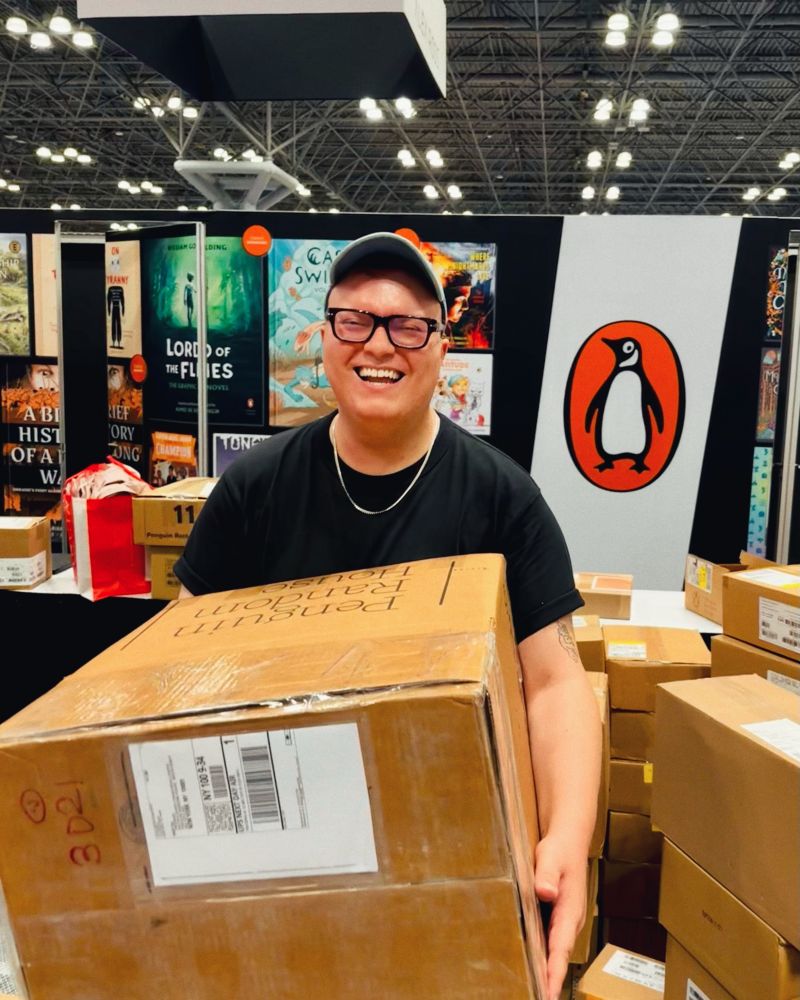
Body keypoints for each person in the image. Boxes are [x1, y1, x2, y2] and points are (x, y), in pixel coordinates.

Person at [174, 232, 600, 1000]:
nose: (380, 345)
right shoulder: (255, 490)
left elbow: (555, 682)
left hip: (446, 847)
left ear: (441, 351)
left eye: (408, 326)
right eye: (355, 320)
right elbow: (174, 663)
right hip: (282, 848)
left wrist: (567, 836)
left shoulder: (502, 498)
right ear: (324, 340)